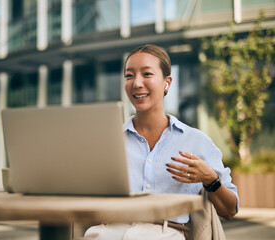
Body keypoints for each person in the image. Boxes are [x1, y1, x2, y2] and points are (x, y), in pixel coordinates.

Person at [84, 44, 239, 240]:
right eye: (129, 75)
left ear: (167, 82)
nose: (136, 83)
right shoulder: (108, 141)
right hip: (109, 231)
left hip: (166, 234)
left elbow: (230, 210)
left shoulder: (196, 142)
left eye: (147, 74)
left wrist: (210, 179)